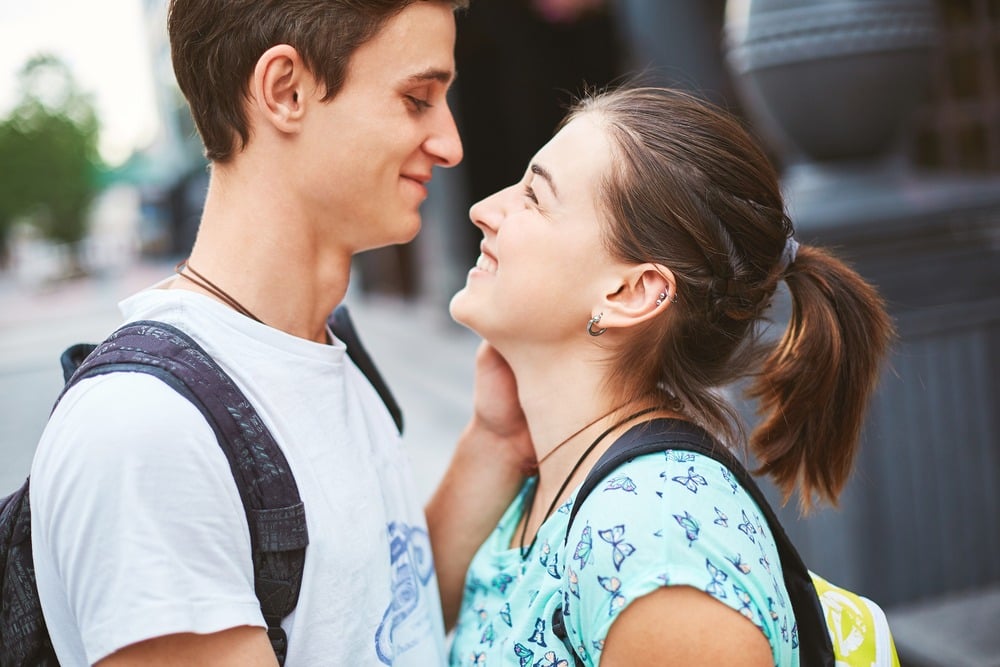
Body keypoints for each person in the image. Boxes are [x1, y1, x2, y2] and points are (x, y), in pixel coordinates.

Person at [28, 1, 531, 665]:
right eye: (417, 98)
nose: (450, 143)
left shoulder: (322, 352)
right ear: (286, 91)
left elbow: (375, 625)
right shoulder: (147, 433)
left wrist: (495, 442)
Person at [444, 86, 894, 665]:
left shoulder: (658, 550)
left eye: (534, 196)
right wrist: (493, 438)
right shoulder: (547, 472)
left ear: (631, 292)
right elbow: (404, 618)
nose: (484, 208)